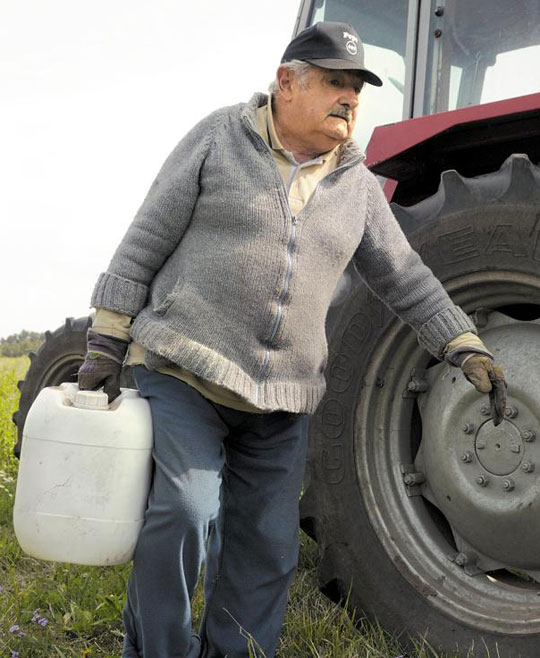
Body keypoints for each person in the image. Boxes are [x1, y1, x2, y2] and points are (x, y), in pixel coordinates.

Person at [78, 21, 506, 658]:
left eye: (357, 89)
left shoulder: (357, 186)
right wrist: (106, 341)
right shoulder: (218, 138)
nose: (350, 100)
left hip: (282, 400)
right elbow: (145, 240)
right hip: (187, 370)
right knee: (187, 512)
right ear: (286, 82)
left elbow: (406, 277)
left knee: (268, 549)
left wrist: (464, 344)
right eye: (335, 82)